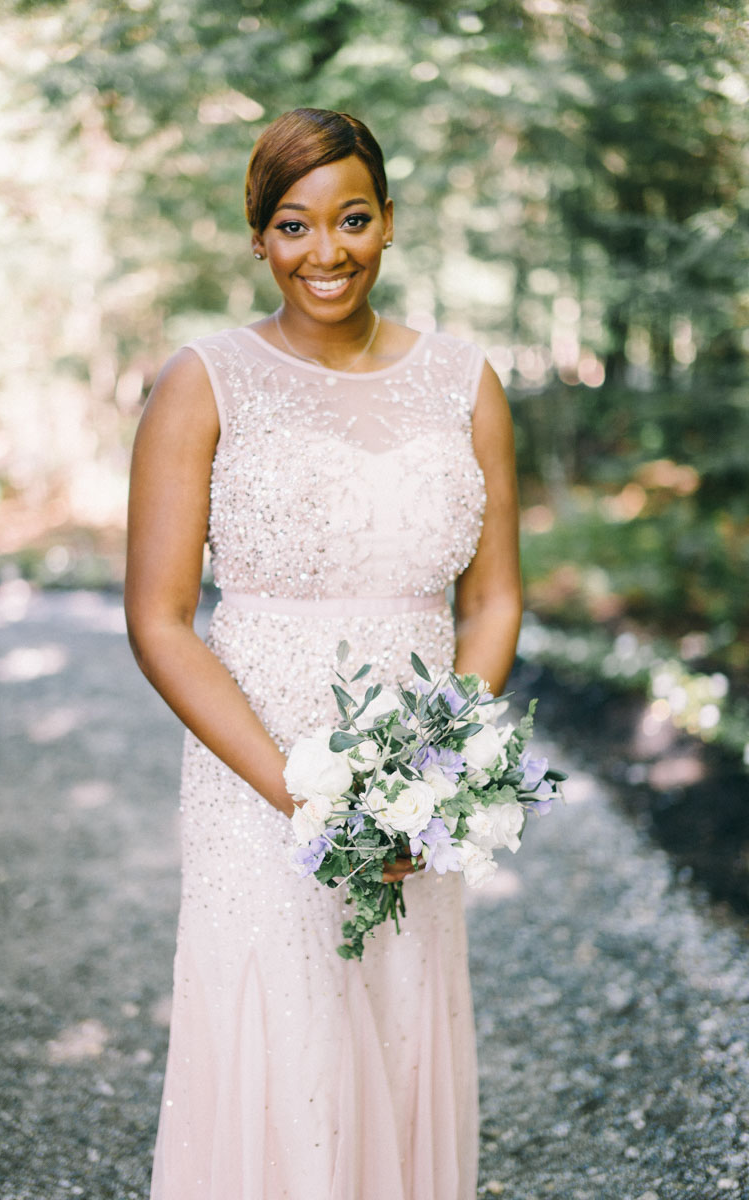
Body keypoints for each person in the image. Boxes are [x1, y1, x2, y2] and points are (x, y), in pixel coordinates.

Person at [125, 107, 522, 1200]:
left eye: (350, 219)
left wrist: (432, 779)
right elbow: (158, 621)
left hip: (407, 792)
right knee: (280, 1031)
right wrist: (304, 797)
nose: (325, 252)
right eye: (293, 226)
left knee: (398, 1027)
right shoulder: (201, 383)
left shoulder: (463, 383)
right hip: (259, 778)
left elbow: (491, 599)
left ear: (387, 223)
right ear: (257, 238)